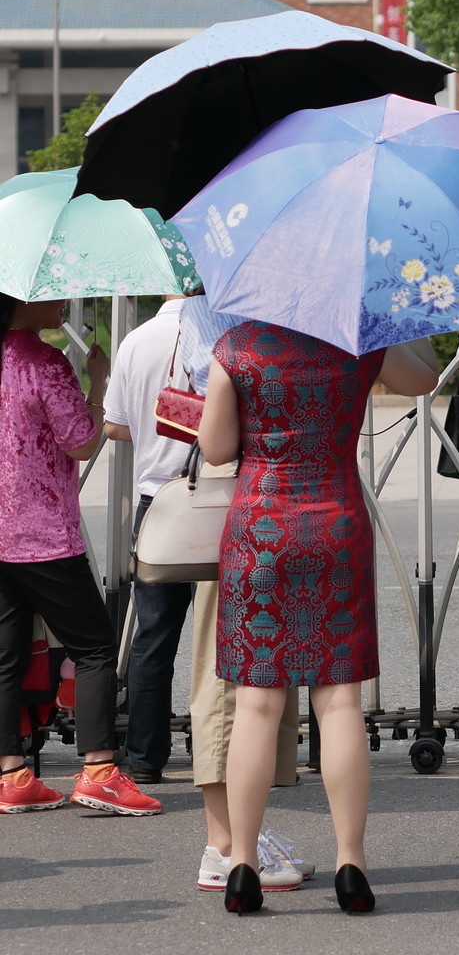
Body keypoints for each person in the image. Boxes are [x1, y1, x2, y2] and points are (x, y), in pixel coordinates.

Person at [198, 321, 438, 914]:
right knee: (339, 705)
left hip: (262, 527)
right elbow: (424, 379)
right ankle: (350, 863)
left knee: (256, 703)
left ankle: (244, 865)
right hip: (336, 523)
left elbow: (217, 449)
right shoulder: (357, 335)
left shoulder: (237, 346)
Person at [0, 293, 161, 816]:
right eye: (53, 297)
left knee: (5, 656)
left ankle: (12, 773)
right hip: (43, 532)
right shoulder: (44, 362)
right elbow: (82, 443)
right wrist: (97, 381)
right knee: (93, 646)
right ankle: (97, 770)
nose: (65, 304)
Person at [179, 293, 311, 894]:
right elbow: (216, 441)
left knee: (254, 684)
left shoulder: (245, 317)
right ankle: (224, 844)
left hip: (254, 502)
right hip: (234, 497)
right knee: (228, 682)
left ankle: (239, 838)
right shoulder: (215, 319)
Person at [104, 295, 194, 784]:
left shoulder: (134, 342)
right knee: (231, 634)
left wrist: (156, 426)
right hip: (218, 500)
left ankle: (144, 758)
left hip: (156, 502)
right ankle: (232, 752)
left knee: (153, 638)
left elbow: (115, 426)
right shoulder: (225, 336)